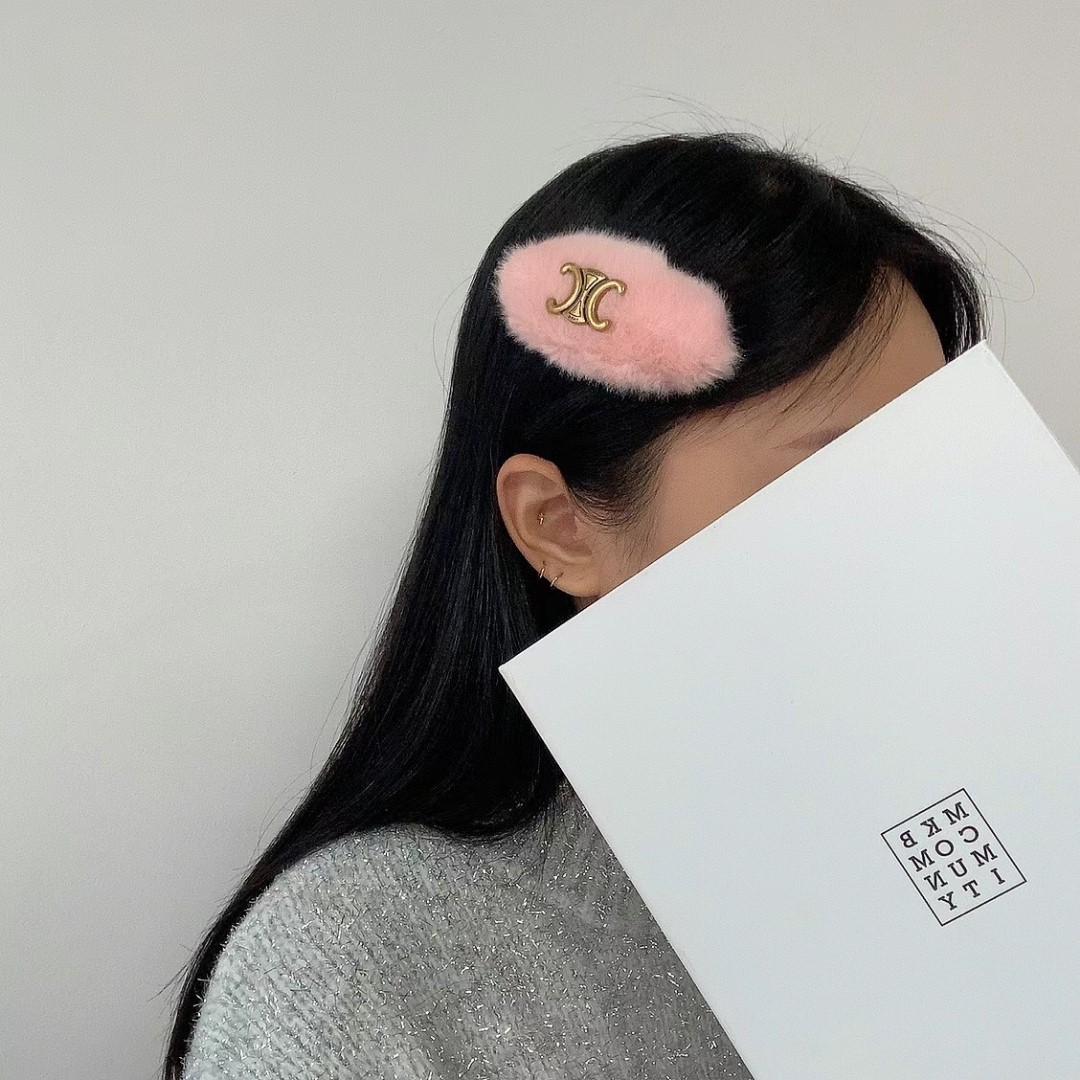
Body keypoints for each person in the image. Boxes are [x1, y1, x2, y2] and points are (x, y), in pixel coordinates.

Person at [161, 130, 987, 1079]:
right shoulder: (361, 970)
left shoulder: (975, 839)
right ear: (559, 527)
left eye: (934, 462)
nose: (919, 536)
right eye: (834, 478)